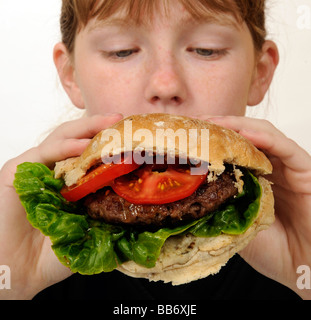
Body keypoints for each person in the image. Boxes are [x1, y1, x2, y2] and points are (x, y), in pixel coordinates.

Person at [0, 0, 311, 300]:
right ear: (71, 75)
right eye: (120, 51)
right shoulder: (31, 248)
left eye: (207, 49)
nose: (165, 85)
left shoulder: (295, 254)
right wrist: (13, 283)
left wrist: (303, 266)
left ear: (260, 71)